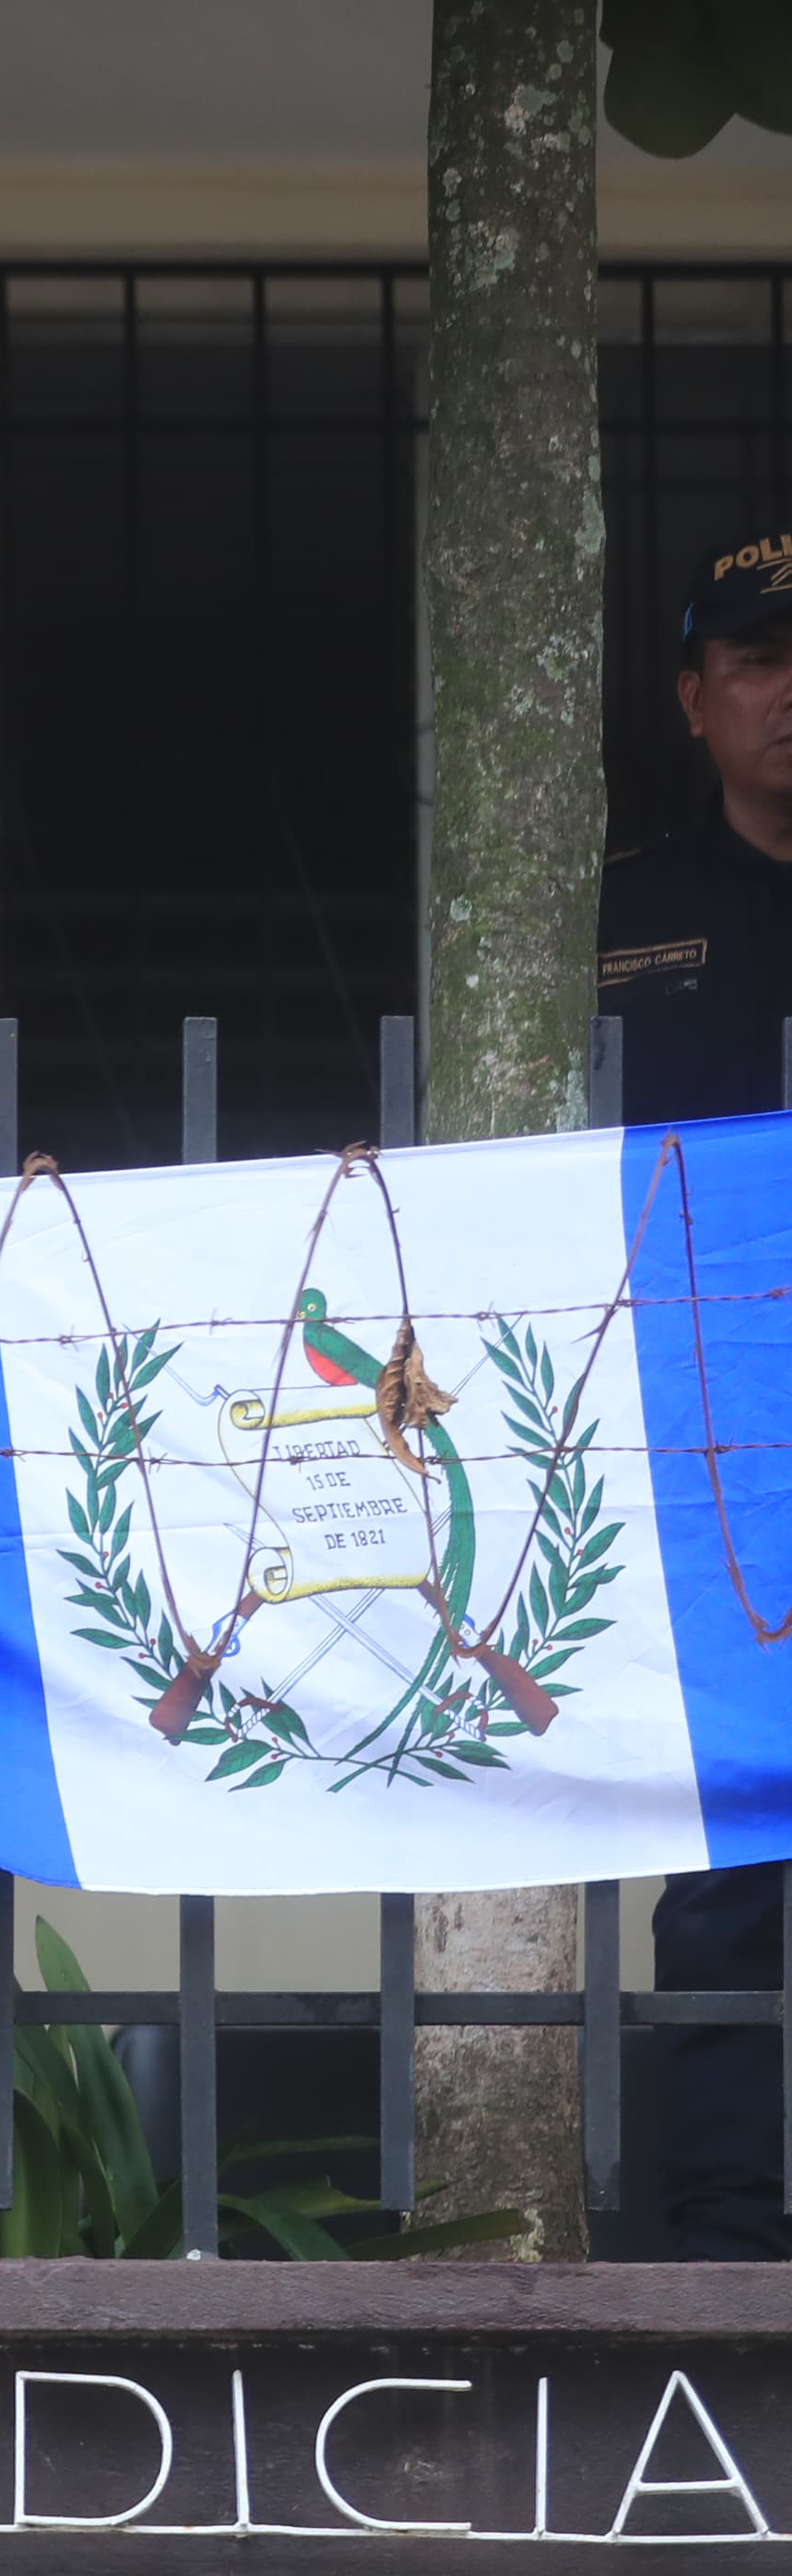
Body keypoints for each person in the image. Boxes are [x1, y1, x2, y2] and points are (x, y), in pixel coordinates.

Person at [600, 529, 792, 2260]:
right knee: (733, 1852)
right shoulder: (627, 915)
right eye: (754, 658)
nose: (786, 691)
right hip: (713, 1439)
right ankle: (732, 2237)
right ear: (694, 696)